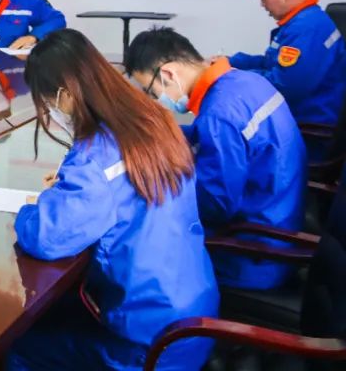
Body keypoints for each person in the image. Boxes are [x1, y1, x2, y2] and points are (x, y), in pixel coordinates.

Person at [7, 29, 218, 371]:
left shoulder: (94, 156)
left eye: (46, 101)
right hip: (194, 317)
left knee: (17, 348)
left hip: (150, 346)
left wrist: (30, 208)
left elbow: (48, 237)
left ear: (63, 94)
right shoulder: (155, 120)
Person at [126, 27, 306, 290]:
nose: (156, 100)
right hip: (282, 220)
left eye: (152, 92)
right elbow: (218, 139)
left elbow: (215, 205)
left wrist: (152, 182)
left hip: (253, 253)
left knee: (137, 245)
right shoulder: (245, 81)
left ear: (168, 74)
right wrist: (166, 134)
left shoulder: (219, 114)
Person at [228, 0, 346, 127]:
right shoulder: (303, 21)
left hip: (311, 125)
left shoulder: (306, 29)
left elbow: (286, 87)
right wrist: (231, 62)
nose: (262, 5)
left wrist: (233, 75)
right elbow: (271, 63)